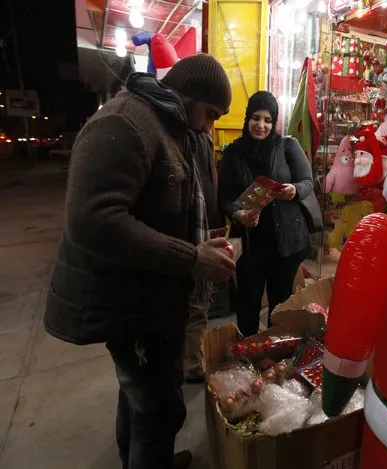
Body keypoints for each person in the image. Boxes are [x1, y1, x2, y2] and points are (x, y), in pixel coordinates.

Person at [43, 54, 236, 469]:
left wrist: (207, 237)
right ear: (189, 96)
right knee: (158, 411)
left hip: (150, 300)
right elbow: (93, 220)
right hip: (126, 302)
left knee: (139, 396)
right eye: (210, 114)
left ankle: (142, 459)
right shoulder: (126, 121)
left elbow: (175, 202)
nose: (209, 126)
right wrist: (190, 257)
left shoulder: (173, 126)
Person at [218, 91, 313, 337]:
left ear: (274, 122)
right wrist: (237, 215)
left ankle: (273, 358)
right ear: (247, 118)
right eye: (256, 118)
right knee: (247, 305)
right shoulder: (233, 153)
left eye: (268, 120)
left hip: (284, 243)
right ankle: (247, 358)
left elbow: (307, 181)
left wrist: (294, 190)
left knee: (280, 305)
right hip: (249, 245)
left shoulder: (287, 147)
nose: (261, 125)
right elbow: (224, 198)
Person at [183, 128, 227, 384]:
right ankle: (190, 365)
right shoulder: (183, 138)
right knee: (195, 307)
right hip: (192, 237)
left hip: (207, 230)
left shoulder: (203, 138)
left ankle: (190, 360)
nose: (213, 121)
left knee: (200, 305)